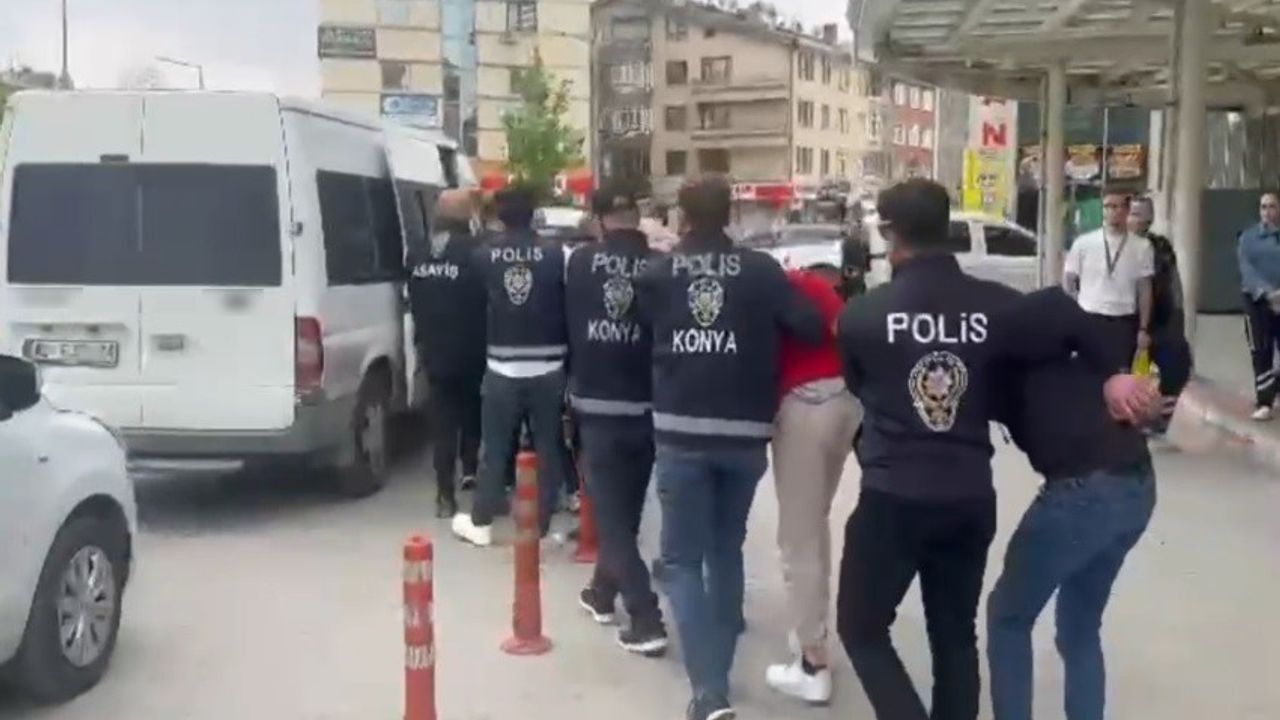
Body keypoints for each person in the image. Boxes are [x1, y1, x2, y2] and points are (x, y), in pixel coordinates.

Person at [834, 179, 1143, 720]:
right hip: (969, 496)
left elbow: (860, 387)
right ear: (947, 228)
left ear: (888, 232)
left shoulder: (861, 316)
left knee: (861, 627)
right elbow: (1070, 317)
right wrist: (1115, 372)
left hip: (892, 496)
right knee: (954, 633)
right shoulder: (1000, 307)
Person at [636, 175, 824, 720]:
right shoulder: (761, 271)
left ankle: (710, 691)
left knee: (681, 560)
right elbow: (810, 327)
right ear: (731, 216)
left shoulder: (658, 273)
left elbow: (640, 331)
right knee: (725, 546)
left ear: (682, 217)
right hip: (744, 431)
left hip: (680, 430)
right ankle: (725, 631)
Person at [986, 316, 1174, 720]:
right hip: (1137, 487)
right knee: (1079, 627)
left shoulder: (1001, 350)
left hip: (1081, 494)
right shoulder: (1068, 353)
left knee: (1008, 617)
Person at [567, 183, 668, 656]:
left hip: (597, 403)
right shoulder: (661, 266)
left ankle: (646, 617)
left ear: (600, 219)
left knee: (612, 518)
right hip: (648, 405)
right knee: (623, 513)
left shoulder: (581, 262)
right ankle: (602, 592)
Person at [764, 265, 862, 705]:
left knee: (798, 537)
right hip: (844, 401)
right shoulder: (811, 284)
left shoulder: (769, 285)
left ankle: (812, 662)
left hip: (804, 405)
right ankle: (811, 631)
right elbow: (846, 330)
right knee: (814, 523)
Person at [452, 186, 570, 546]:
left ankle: (482, 521)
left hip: (502, 365)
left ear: (500, 217)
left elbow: (471, 305)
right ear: (534, 214)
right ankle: (542, 524)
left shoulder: (482, 255)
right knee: (548, 447)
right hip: (549, 364)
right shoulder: (557, 253)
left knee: (495, 447)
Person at [407, 190, 487, 518]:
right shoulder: (477, 251)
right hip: (472, 348)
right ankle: (469, 469)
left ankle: (444, 494)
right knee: (472, 410)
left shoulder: (417, 253)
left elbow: (414, 297)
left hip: (433, 350)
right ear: (468, 216)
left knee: (442, 423)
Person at [1064, 192, 1156, 367]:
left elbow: (1145, 289)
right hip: (1089, 316)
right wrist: (1072, 315)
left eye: (1119, 206)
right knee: (1087, 370)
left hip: (1123, 320)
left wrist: (1144, 328)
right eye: (1109, 206)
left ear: (1127, 210)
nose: (1114, 211)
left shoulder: (1142, 247)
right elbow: (1069, 282)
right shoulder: (1083, 243)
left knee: (1118, 373)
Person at [1127, 196, 1191, 431]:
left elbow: (1173, 283)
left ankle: (1160, 418)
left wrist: (1178, 316)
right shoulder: (1115, 244)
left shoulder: (1161, 246)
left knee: (1178, 364)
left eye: (1143, 214)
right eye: (1134, 213)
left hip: (1160, 319)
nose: (1138, 219)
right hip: (1123, 318)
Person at [1237, 191, 1280, 421]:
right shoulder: (1249, 238)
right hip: (1257, 302)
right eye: (1263, 207)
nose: (1267, 212)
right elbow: (1247, 270)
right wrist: (1268, 293)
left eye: (1272, 206)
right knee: (1261, 350)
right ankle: (1264, 401)